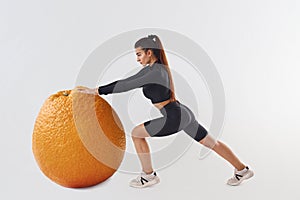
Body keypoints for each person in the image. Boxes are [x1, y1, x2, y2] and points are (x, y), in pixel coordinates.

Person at [78, 35, 254, 188]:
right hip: (183, 113)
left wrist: (96, 91)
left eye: (139, 54)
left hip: (175, 116)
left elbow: (126, 84)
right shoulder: (154, 70)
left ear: (149, 52)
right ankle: (242, 170)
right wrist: (98, 90)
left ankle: (148, 176)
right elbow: (129, 80)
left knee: (136, 134)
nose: (137, 59)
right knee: (212, 143)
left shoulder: (155, 73)